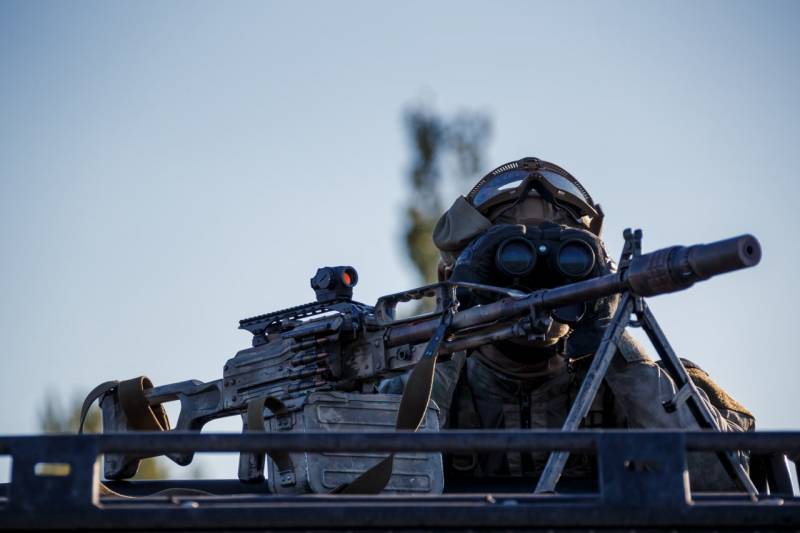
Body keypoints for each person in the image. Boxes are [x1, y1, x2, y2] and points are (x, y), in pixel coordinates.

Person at [383, 156, 755, 491]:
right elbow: (363, 479)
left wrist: (611, 335)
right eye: (508, 259)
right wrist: (447, 342)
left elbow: (726, 480)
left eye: (567, 261)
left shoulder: (655, 384)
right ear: (451, 278)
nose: (535, 284)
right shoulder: (414, 386)